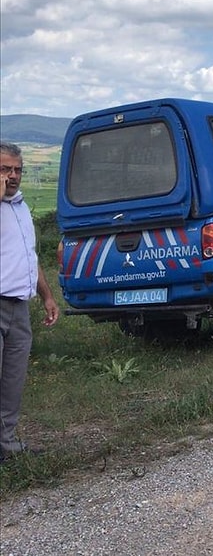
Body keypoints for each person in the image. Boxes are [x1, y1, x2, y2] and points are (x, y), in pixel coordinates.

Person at [1, 141, 60, 462]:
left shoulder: (21, 207)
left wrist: (47, 296)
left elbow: (30, 256)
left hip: (19, 307)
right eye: (4, 169)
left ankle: (6, 444)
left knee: (13, 378)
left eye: (17, 170)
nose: (12, 176)